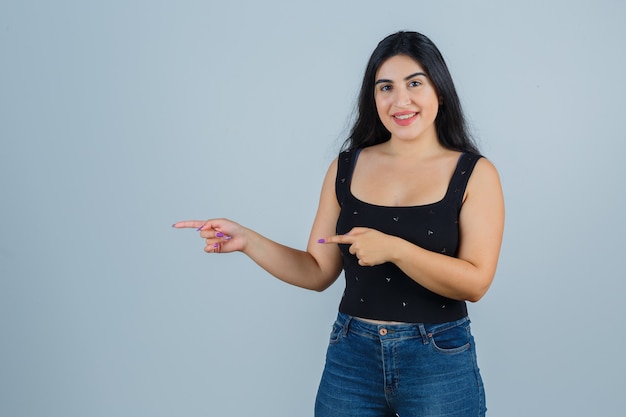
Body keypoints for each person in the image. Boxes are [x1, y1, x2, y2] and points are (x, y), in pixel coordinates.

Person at [174, 31, 504, 417]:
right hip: (352, 356)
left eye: (415, 83)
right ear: (373, 97)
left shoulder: (475, 174)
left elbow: (476, 282)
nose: (400, 100)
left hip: (438, 358)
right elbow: (317, 270)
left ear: (440, 91)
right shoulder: (345, 167)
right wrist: (248, 240)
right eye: (385, 88)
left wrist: (395, 250)